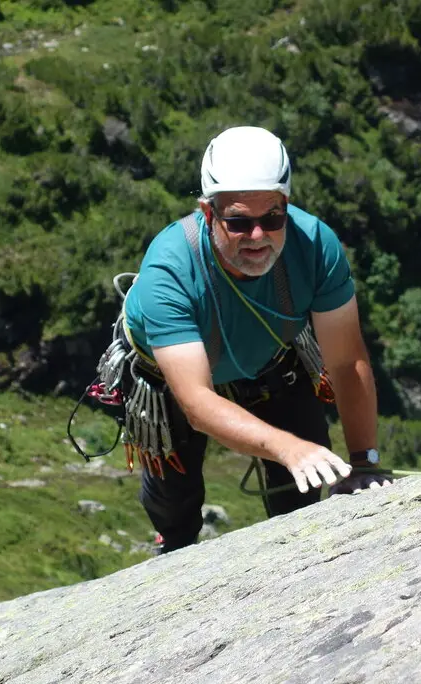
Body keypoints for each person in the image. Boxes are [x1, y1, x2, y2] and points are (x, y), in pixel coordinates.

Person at [96, 125, 393, 554]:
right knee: (175, 506)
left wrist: (364, 462)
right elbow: (196, 402)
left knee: (304, 487)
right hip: (165, 380)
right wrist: (286, 447)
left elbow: (346, 361)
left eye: (272, 218)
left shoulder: (315, 247)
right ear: (208, 212)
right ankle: (172, 545)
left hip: (270, 357)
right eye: (238, 221)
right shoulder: (169, 271)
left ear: (286, 206)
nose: (258, 236)